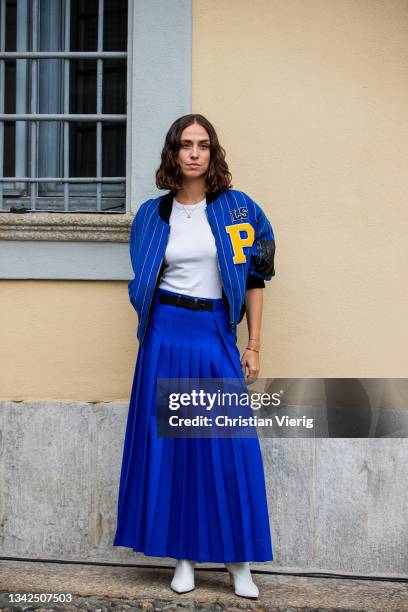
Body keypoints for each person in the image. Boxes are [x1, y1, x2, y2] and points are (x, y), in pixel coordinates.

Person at [113, 114, 276, 600]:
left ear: (213, 153)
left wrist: (253, 344)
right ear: (173, 153)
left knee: (228, 448)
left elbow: (254, 279)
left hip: (213, 332)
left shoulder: (239, 209)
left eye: (203, 145)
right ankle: (183, 557)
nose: (194, 153)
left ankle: (238, 563)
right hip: (164, 334)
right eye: (185, 145)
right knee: (176, 449)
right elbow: (144, 276)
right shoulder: (151, 215)